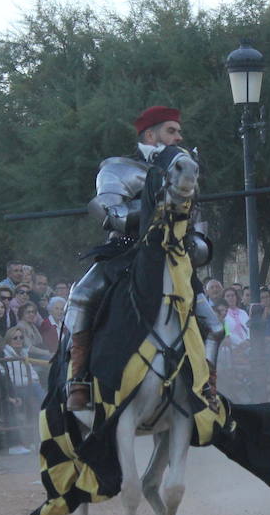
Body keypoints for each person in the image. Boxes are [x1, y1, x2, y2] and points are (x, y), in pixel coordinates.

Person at [62, 106, 219, 411]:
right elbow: (111, 214)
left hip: (173, 260)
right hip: (126, 252)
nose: (179, 137)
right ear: (150, 135)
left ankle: (207, 387)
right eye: (171, 131)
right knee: (81, 296)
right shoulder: (118, 170)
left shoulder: (184, 169)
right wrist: (156, 207)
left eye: (179, 131)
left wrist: (194, 243)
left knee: (214, 326)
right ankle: (78, 380)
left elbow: (197, 225)